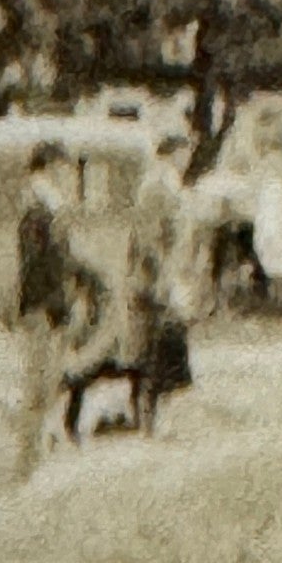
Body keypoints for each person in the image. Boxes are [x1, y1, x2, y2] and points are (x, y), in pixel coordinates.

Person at [14, 141, 81, 474]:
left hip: (46, 301)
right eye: (61, 168)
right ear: (49, 167)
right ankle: (30, 455)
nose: (66, 174)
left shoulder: (45, 206)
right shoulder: (40, 208)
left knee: (46, 376)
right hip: (45, 302)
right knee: (41, 378)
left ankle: (39, 446)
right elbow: (46, 263)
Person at [125, 133, 197, 434]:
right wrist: (164, 280)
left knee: (163, 350)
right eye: (184, 152)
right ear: (171, 152)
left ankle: (152, 417)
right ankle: (149, 419)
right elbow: (153, 240)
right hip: (159, 282)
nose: (187, 158)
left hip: (167, 278)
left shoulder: (165, 184)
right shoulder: (159, 186)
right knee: (158, 351)